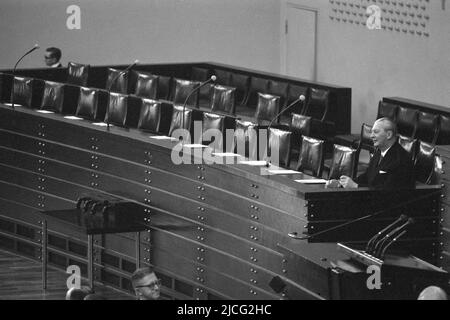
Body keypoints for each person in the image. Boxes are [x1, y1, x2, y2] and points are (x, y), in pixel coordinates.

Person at [327, 117, 414, 189]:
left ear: (389, 135)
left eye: (376, 132)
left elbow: (387, 190)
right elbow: (368, 176)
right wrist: (342, 183)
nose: (371, 136)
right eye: (371, 132)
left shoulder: (401, 159)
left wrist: (356, 186)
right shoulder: (379, 152)